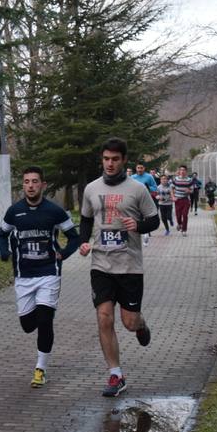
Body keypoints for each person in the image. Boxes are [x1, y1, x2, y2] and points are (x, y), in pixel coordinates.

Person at [78, 138, 158, 397]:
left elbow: (153, 220)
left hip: (130, 266)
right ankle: (115, 374)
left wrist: (138, 226)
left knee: (128, 321)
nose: (110, 164)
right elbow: (86, 219)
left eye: (115, 159)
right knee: (104, 316)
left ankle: (141, 324)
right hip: (101, 264)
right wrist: (83, 242)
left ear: (124, 160)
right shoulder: (91, 189)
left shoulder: (137, 189)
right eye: (106, 159)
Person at [0, 166, 79, 388]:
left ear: (42, 185)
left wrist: (64, 254)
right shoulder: (14, 212)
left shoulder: (55, 211)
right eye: (26, 182)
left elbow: (74, 237)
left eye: (35, 181)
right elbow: (1, 235)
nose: (30, 185)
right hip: (24, 276)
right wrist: (4, 252)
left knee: (44, 320)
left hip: (49, 273)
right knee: (27, 325)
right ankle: (42, 318)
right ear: (23, 185)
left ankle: (40, 369)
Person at [169, 165, 194, 235]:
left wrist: (188, 191)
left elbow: (192, 190)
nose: (182, 171)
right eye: (181, 170)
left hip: (186, 200)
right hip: (178, 200)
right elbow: (171, 188)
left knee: (185, 215)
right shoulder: (175, 179)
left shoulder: (189, 180)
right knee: (178, 215)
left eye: (184, 170)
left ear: (186, 171)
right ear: (179, 171)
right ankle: (179, 224)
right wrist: (173, 197)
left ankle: (184, 230)